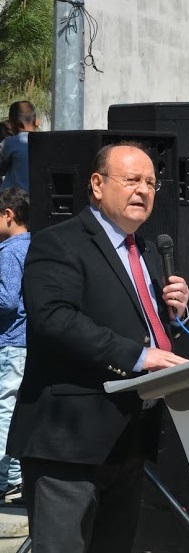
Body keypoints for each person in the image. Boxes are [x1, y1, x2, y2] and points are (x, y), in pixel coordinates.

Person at [8, 142, 189, 551]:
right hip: (69, 443)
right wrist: (138, 357)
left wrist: (175, 314)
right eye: (131, 180)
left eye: (150, 182)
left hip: (128, 438)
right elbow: (54, 319)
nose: (143, 190)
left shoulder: (143, 249)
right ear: (97, 184)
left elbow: (145, 329)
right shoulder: (59, 242)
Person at [0, 187, 29, 499]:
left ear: (8, 215)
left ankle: (6, 477)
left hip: (10, 342)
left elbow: (6, 300)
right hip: (24, 341)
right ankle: (15, 476)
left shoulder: (9, 252)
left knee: (5, 409)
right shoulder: (34, 245)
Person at [0, 101, 38, 191]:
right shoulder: (46, 142)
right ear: (36, 122)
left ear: (12, 124)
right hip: (40, 198)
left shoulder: (10, 142)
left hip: (14, 200)